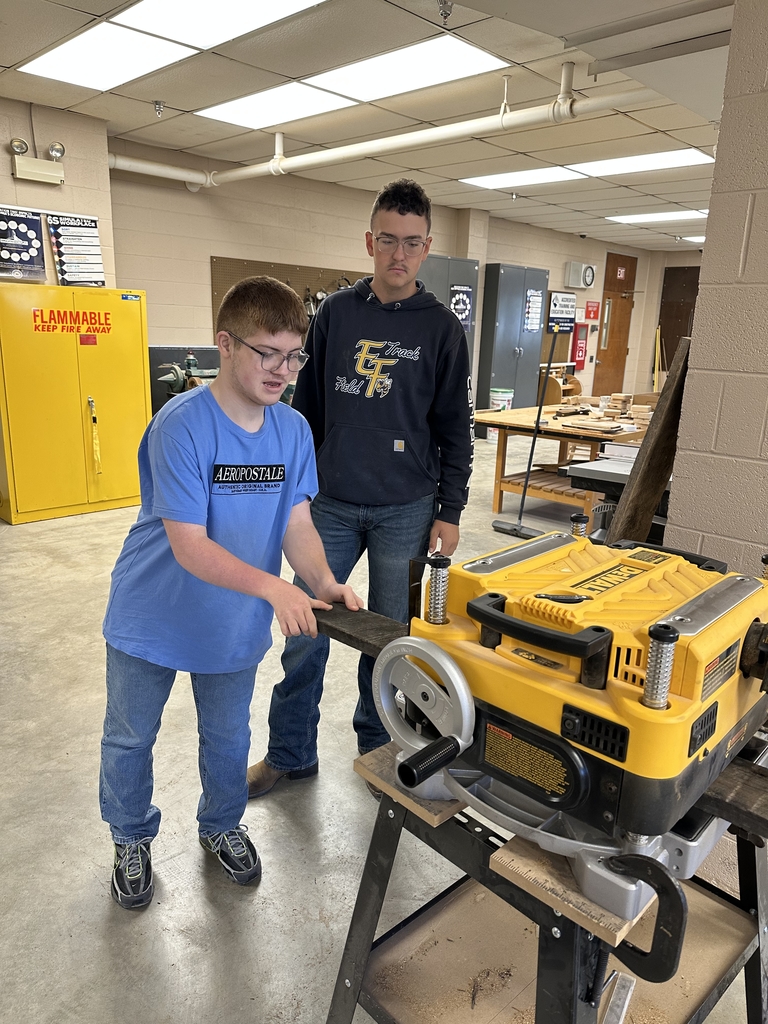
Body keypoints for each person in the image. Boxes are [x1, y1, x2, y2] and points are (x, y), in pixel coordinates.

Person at [99, 276, 363, 909]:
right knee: (131, 736)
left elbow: (296, 522)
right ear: (225, 344)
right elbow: (188, 544)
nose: (282, 370)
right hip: (152, 614)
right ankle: (130, 838)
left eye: (293, 355)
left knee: (227, 738)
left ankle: (221, 825)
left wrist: (324, 581)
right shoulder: (181, 426)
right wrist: (276, 588)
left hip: (233, 618)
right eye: (265, 353)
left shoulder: (293, 430)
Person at [247, 179, 474, 799]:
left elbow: (456, 429)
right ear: (369, 242)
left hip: (407, 507)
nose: (397, 255)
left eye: (411, 244)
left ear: (426, 248)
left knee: (388, 639)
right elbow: (306, 413)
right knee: (304, 630)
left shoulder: (443, 330)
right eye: (387, 242)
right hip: (331, 504)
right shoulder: (336, 315)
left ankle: (378, 747)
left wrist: (449, 510)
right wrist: (293, 490)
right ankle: (291, 753)